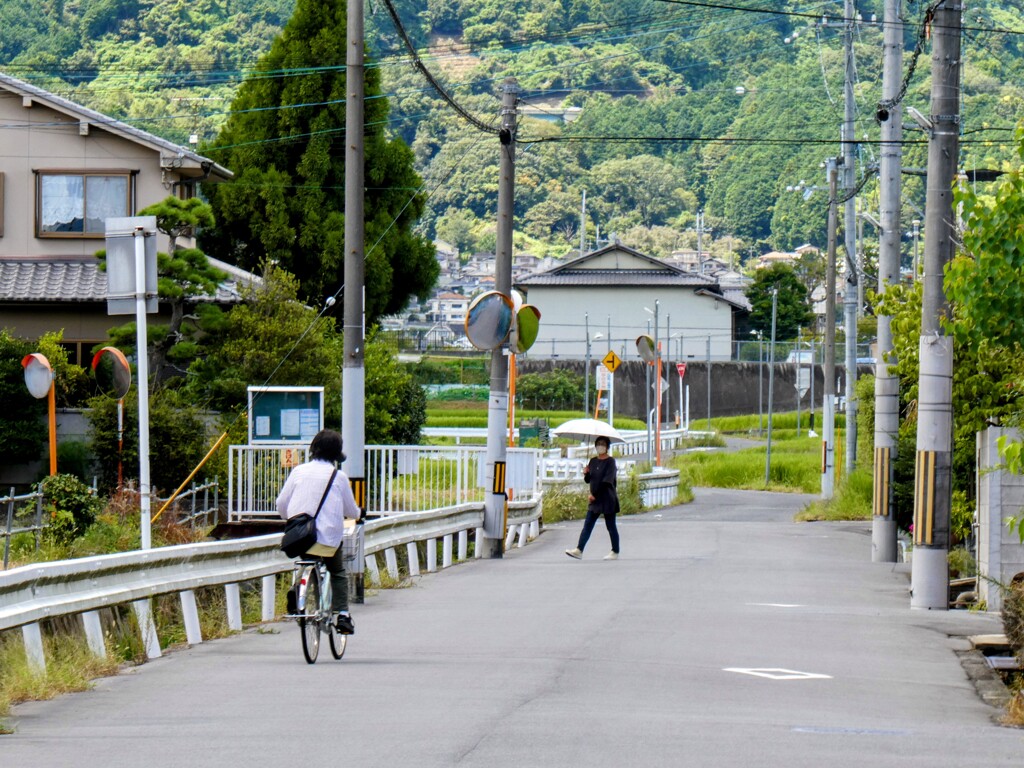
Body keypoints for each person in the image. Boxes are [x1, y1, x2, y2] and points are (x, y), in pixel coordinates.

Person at [276, 429, 361, 634]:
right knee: (337, 571)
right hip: (327, 538)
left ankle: (297, 589)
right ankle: (342, 615)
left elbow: (281, 503)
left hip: (300, 536)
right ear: (336, 455)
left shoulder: (298, 471)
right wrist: (360, 513)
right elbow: (351, 511)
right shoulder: (338, 476)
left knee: (307, 560)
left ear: (313, 449)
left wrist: (291, 519)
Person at [565, 435, 620, 560]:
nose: (600, 446)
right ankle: (579, 550)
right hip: (595, 499)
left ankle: (615, 551)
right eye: (598, 444)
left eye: (603, 444)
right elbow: (589, 480)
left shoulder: (610, 462)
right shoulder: (593, 461)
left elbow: (607, 482)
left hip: (607, 498)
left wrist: (594, 495)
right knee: (588, 524)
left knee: (611, 526)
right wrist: (586, 474)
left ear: (607, 447)